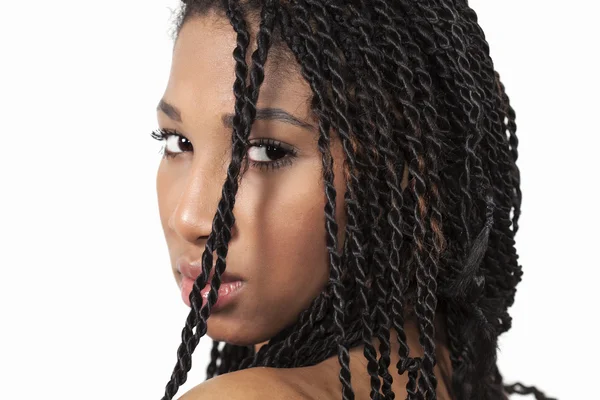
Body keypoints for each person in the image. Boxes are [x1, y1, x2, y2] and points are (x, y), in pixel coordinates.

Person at [152, 0, 555, 399]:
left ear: (409, 174)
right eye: (177, 142)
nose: (189, 218)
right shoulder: (454, 382)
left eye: (266, 151)